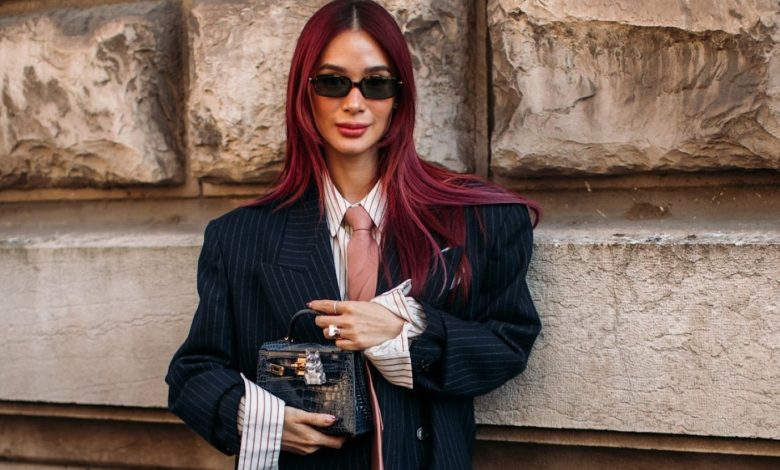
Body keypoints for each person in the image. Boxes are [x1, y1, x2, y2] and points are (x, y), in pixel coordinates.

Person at [166, 1, 541, 468]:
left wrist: (406, 330)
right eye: (333, 82)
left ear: (399, 96)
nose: (355, 103)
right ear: (305, 93)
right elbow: (193, 373)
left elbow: (507, 345)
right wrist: (264, 420)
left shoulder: (479, 220)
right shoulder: (239, 237)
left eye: (376, 83)